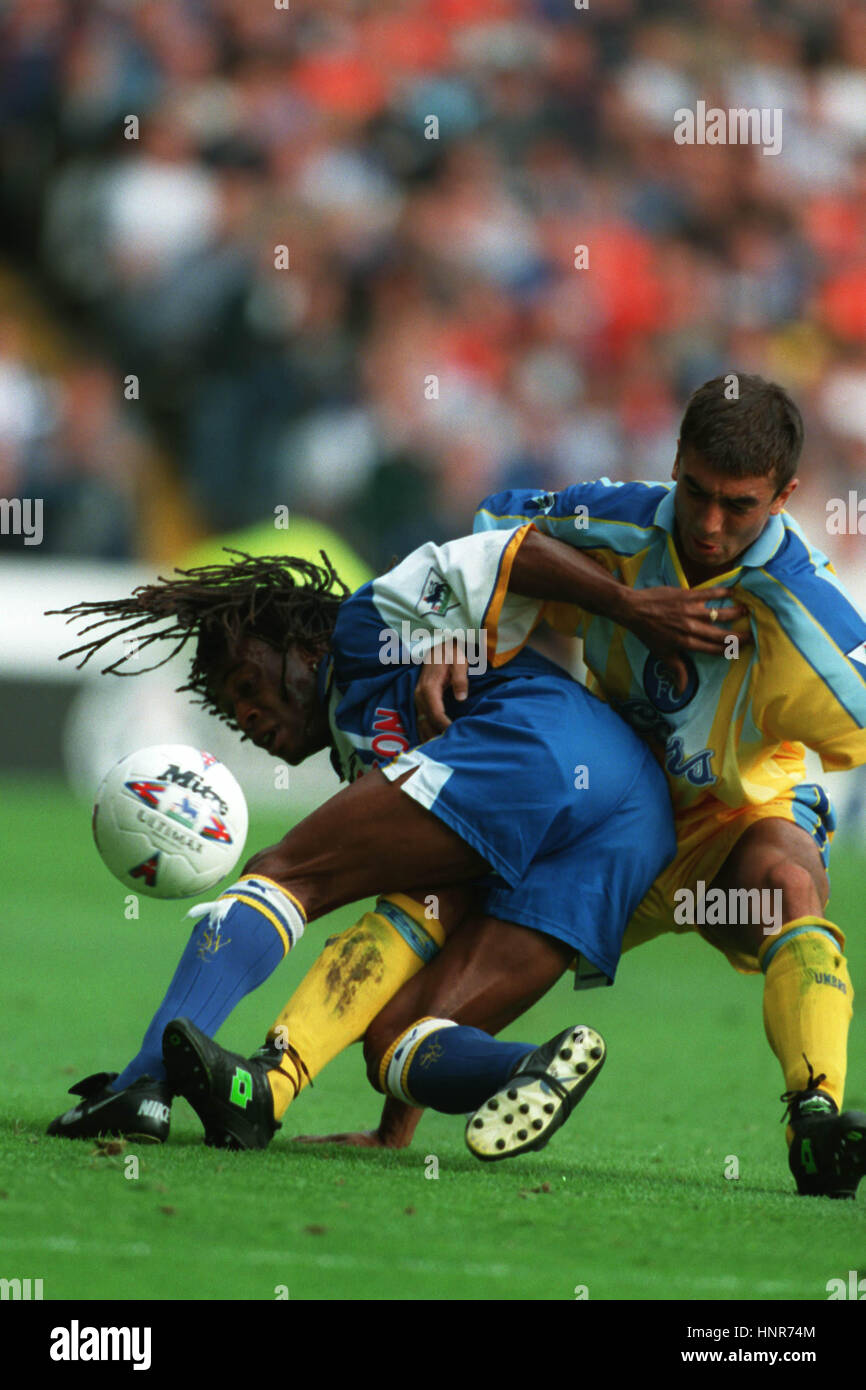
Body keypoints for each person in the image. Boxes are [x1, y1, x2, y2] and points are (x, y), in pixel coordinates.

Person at [46, 529, 677, 1159]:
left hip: (550, 739)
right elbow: (431, 909)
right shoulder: (371, 756)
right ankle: (527, 1069)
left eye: (247, 683)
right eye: (231, 707)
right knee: (398, 1039)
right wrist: (392, 1132)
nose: (246, 717)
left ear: (305, 646)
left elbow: (504, 549)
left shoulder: (362, 623)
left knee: (285, 872)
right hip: (627, 826)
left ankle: (143, 1084)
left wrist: (625, 604)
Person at [401, 373, 866, 1199]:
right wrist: (451, 626)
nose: (712, 524)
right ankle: (384, 1125)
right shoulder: (611, 518)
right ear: (674, 461)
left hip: (734, 830)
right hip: (613, 820)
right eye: (696, 492)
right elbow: (496, 530)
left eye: (741, 505)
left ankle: (816, 1121)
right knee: (431, 954)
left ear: (786, 497)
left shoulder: (807, 606)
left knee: (792, 885)